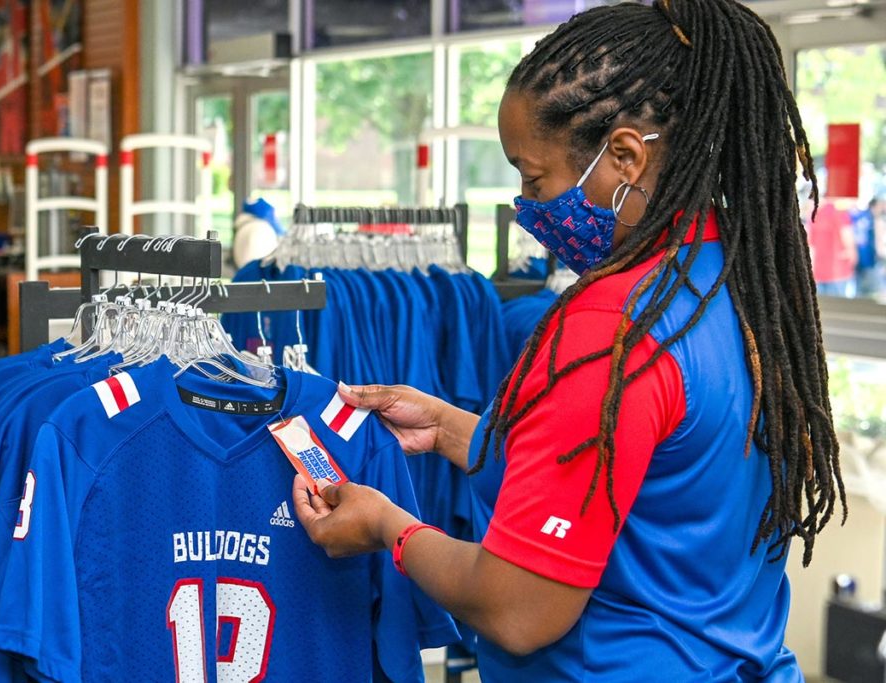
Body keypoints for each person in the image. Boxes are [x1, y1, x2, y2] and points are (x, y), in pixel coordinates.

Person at [291, 1, 845, 680]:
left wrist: (387, 525)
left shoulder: (612, 326)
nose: (528, 210)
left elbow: (518, 608)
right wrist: (454, 428)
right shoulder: (741, 283)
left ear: (624, 157)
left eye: (533, 178)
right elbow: (654, 477)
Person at [851, 197, 880, 297]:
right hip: (867, 258)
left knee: (859, 289)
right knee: (871, 290)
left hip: (859, 258)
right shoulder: (870, 218)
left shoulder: (858, 216)